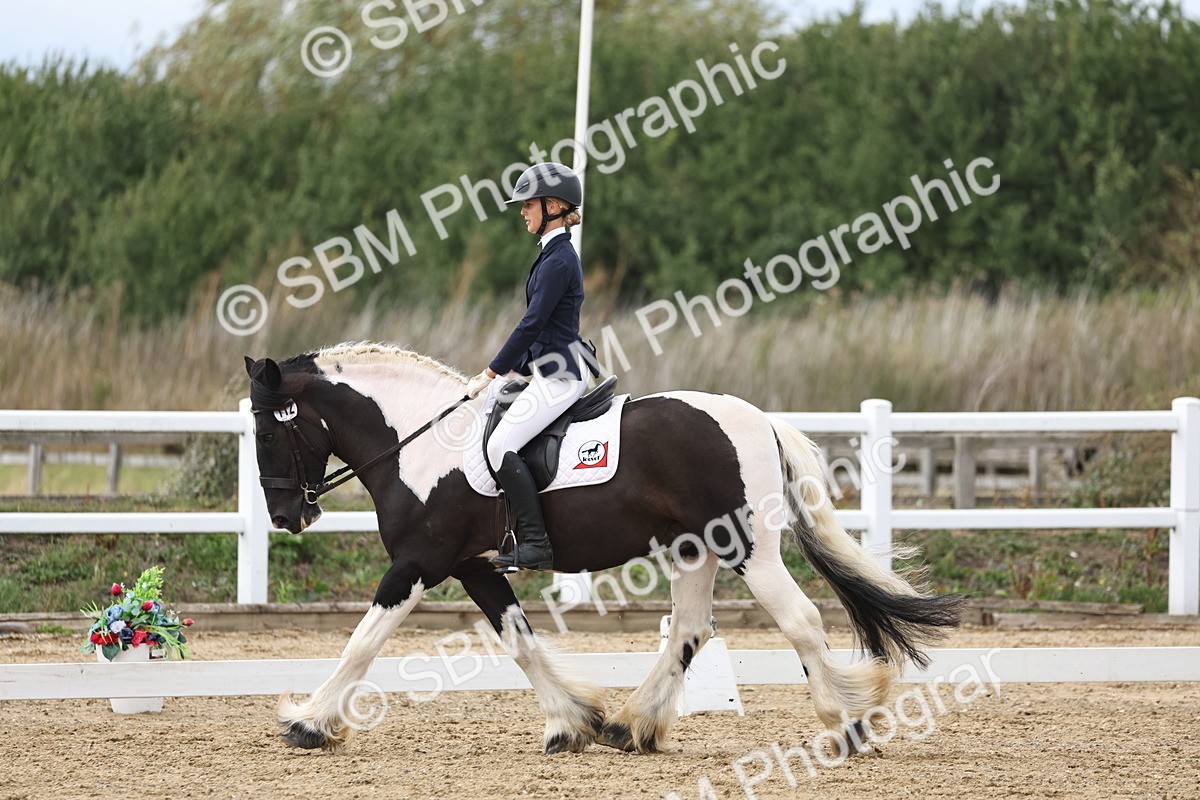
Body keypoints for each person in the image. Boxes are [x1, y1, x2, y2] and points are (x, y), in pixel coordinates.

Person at [465, 162, 592, 572]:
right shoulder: (552, 254)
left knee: (501, 446)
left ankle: (536, 543)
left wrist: (491, 372)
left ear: (552, 206)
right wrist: (516, 368)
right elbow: (543, 329)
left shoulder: (558, 260)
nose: (522, 211)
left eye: (528, 204)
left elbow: (533, 323)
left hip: (560, 375)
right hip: (547, 369)